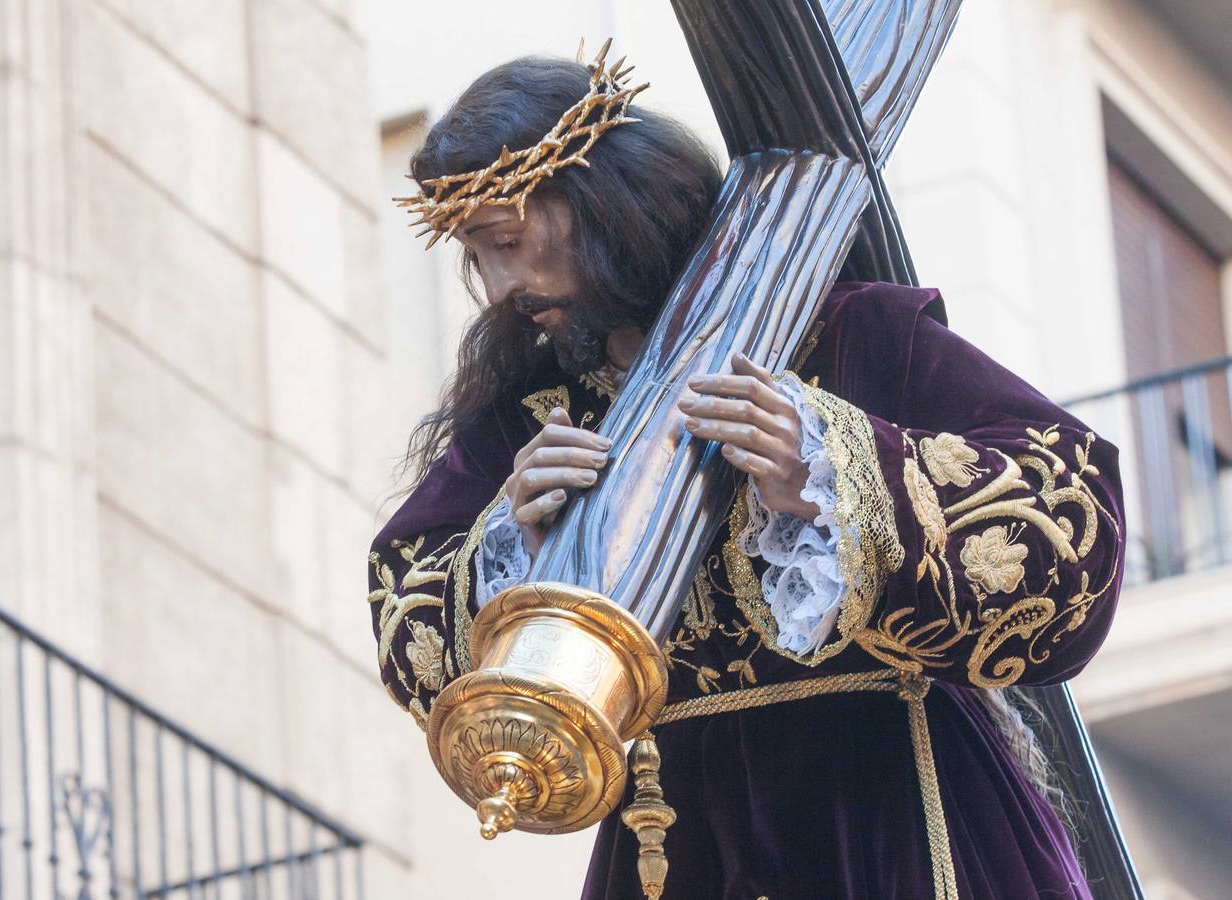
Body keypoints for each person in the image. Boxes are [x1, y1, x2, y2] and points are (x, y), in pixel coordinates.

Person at [367, 54, 1124, 899]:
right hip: (673, 840)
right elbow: (410, 610)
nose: (502, 286)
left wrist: (838, 475)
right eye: (480, 256)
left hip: (897, 813)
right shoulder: (530, 419)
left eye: (508, 242)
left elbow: (1071, 509)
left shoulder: (850, 337)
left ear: (603, 206)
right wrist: (510, 547)